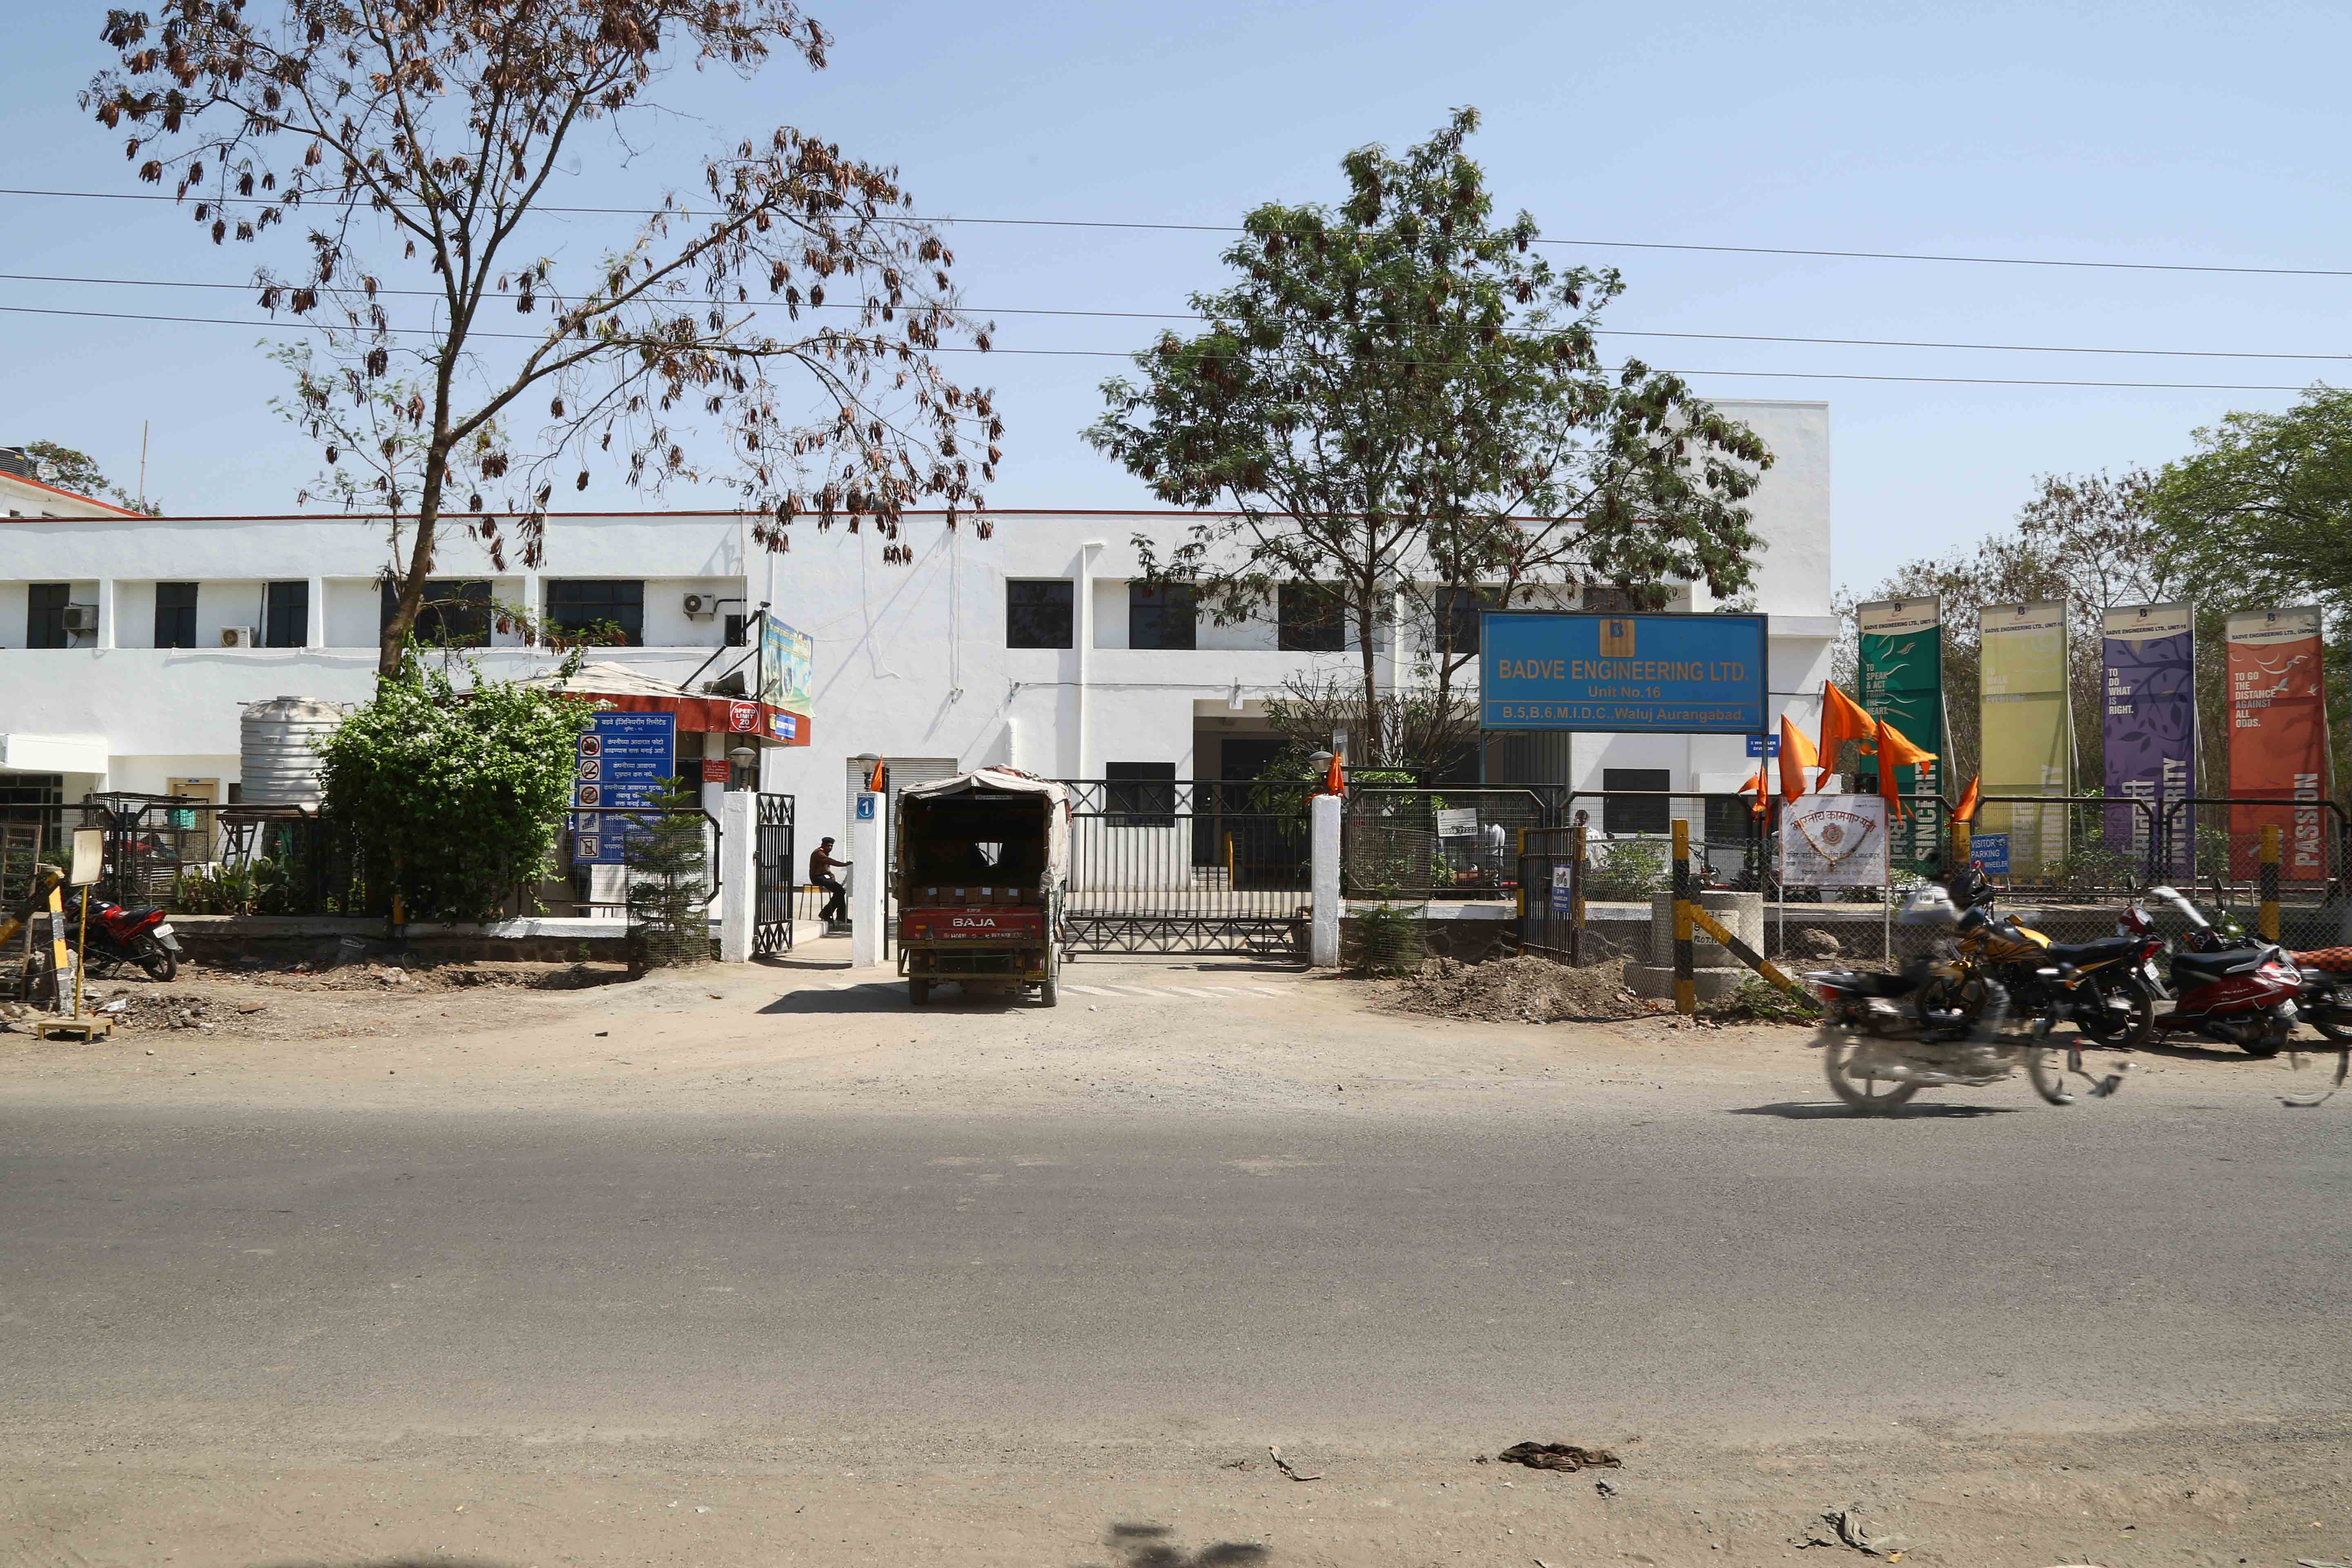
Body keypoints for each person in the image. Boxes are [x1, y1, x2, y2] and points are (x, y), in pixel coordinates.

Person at [810, 836, 851, 923]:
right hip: (817, 878)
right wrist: (844, 865)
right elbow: (830, 861)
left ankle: (838, 916)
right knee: (840, 891)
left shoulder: (824, 853)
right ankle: (828, 914)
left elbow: (826, 870)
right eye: (828, 846)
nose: (830, 848)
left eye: (831, 846)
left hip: (824, 876)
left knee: (840, 891)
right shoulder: (819, 853)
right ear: (823, 845)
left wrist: (832, 876)